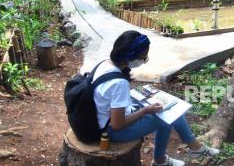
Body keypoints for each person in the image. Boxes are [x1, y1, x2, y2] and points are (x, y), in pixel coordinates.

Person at [92, 30, 219, 166]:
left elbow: (109, 97)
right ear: (132, 55)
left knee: (165, 109)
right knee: (169, 116)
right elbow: (117, 124)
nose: (144, 61)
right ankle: (175, 155)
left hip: (101, 118)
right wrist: (144, 111)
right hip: (111, 132)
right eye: (143, 58)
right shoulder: (119, 83)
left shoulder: (105, 64)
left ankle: (189, 150)